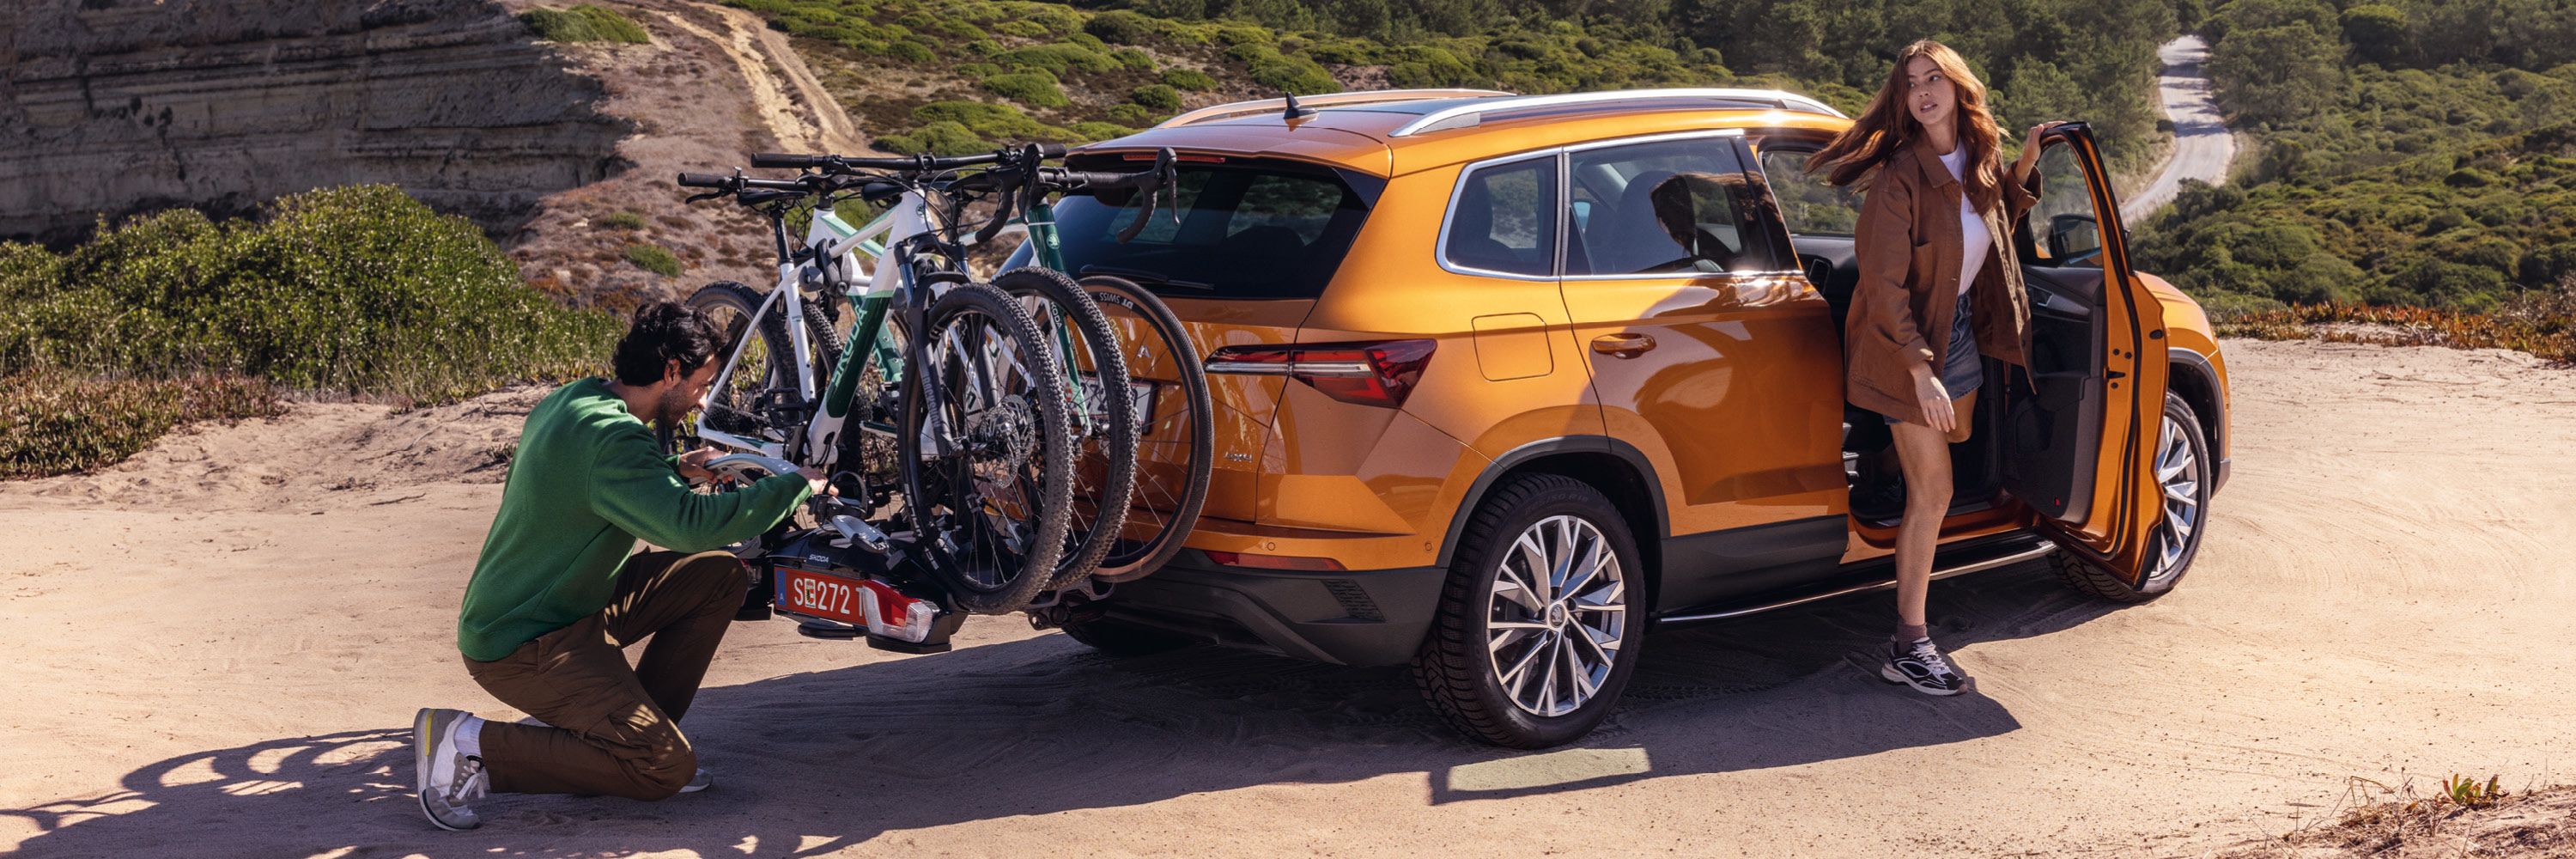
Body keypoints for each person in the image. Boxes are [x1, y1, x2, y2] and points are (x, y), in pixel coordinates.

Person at [414, 302, 827, 830]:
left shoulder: (577, 399)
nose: (703, 400)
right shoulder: (615, 440)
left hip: (568, 605)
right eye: (702, 384)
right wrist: (794, 486)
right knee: (663, 768)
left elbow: (592, 480)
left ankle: (627, 737)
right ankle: (465, 743)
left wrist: (674, 469)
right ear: (671, 370)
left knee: (717, 576)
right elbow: (688, 526)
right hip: (523, 642)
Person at [1806, 40, 2065, 696]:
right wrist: (1920, 371)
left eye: (1933, 79)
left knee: (1958, 434)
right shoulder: (1900, 178)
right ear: (1903, 98)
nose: (1922, 92)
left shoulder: (1979, 157)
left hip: (1959, 333)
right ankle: (1909, 644)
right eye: (1912, 83)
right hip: (1904, 343)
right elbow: (1884, 288)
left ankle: (1885, 465)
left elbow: (1995, 217)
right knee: (1937, 492)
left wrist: (2027, 161)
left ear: (1957, 87)